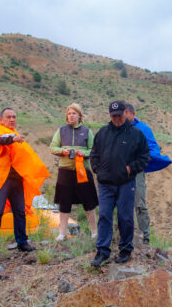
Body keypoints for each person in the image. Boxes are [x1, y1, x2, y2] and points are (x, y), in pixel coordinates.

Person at [89, 100, 150, 266]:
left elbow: (145, 157)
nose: (117, 118)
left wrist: (131, 169)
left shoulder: (136, 134)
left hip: (126, 183)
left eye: (120, 115)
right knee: (104, 216)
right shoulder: (102, 133)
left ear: (126, 113)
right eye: (113, 115)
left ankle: (125, 249)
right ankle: (102, 251)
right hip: (106, 183)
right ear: (110, 115)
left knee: (125, 217)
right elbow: (94, 154)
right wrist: (97, 170)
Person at [0, 108, 50, 257]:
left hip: (16, 180)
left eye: (14, 117)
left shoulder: (16, 135)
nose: (12, 119)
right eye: (8, 117)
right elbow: (1, 139)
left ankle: (22, 242)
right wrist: (12, 139)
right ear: (1, 119)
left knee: (20, 211)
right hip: (2, 178)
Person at [123, 103, 171, 245]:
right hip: (119, 172)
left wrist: (139, 158)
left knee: (139, 202)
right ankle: (123, 235)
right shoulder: (117, 127)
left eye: (126, 114)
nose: (123, 118)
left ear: (132, 114)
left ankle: (145, 237)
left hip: (137, 171)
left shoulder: (144, 128)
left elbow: (152, 148)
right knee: (121, 204)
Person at [49, 103, 98, 241]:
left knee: (89, 202)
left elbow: (94, 150)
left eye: (74, 113)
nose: (71, 115)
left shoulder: (87, 131)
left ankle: (94, 233)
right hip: (65, 171)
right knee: (64, 203)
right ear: (67, 116)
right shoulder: (61, 130)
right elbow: (52, 147)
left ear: (79, 116)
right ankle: (62, 233)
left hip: (82, 171)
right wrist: (62, 151)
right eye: (69, 113)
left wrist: (83, 153)